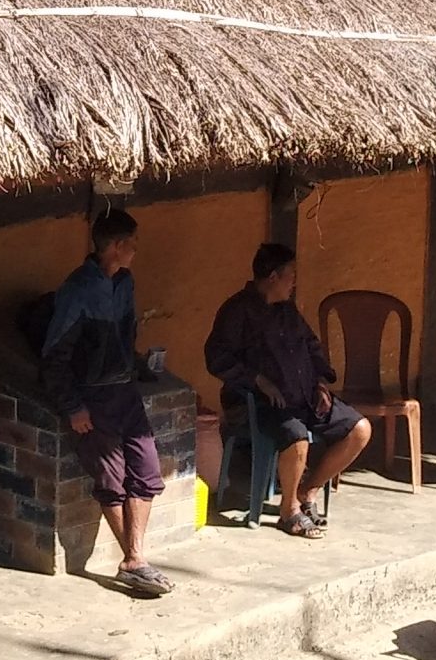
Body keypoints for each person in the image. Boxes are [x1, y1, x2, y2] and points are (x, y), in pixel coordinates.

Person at [41, 207, 175, 597]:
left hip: (124, 391)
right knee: (111, 479)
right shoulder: (78, 291)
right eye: (131, 244)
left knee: (147, 469)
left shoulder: (125, 284)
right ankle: (134, 560)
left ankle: (135, 558)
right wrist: (72, 406)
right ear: (116, 246)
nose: (135, 251)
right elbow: (55, 356)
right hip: (93, 396)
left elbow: (125, 337)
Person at [204, 243, 372, 537]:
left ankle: (307, 492)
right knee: (296, 437)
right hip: (260, 404)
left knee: (360, 429)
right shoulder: (237, 311)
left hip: (304, 396)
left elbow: (311, 345)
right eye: (290, 275)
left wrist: (320, 381)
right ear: (272, 277)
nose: (294, 282)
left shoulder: (287, 310)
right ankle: (288, 512)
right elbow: (216, 358)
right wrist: (257, 379)